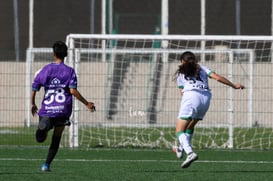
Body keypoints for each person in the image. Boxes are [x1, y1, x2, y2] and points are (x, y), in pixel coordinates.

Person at [31, 41, 96, 172]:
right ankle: (46, 165)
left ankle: (44, 128)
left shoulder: (46, 69)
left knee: (40, 138)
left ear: (53, 54)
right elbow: (72, 91)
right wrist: (86, 103)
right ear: (66, 54)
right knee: (57, 137)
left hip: (47, 109)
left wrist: (32, 103)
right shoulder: (70, 71)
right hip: (63, 110)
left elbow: (35, 86)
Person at [173, 51, 244, 168]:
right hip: (205, 98)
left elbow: (182, 92)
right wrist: (233, 85)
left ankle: (189, 152)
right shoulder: (202, 68)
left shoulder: (180, 73)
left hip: (191, 97)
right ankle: (181, 147)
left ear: (182, 61)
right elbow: (217, 78)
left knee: (179, 130)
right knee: (190, 126)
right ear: (194, 60)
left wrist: (189, 104)